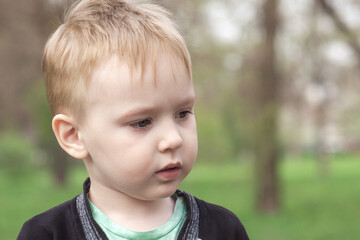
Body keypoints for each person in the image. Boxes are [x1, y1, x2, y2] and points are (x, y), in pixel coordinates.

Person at [17, 0, 249, 239]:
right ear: (74, 135)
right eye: (142, 122)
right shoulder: (47, 234)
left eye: (182, 113)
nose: (173, 139)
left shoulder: (223, 230)